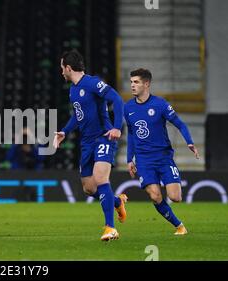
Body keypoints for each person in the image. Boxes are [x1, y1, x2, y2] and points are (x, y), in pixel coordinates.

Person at [53, 50, 128, 241]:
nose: (61, 72)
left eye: (62, 68)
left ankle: (110, 228)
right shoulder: (73, 90)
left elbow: (117, 99)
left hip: (104, 137)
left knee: (101, 178)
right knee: (88, 188)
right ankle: (118, 202)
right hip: (86, 142)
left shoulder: (93, 83)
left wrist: (117, 127)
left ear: (68, 68)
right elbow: (78, 116)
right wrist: (64, 131)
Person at [124, 68, 199, 235]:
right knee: (155, 196)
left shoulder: (160, 104)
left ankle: (171, 185)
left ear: (146, 84)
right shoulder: (128, 107)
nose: (132, 85)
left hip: (164, 157)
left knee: (175, 197)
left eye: (136, 82)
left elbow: (180, 124)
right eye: (131, 82)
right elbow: (131, 133)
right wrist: (130, 159)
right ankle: (179, 226)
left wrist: (190, 142)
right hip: (144, 160)